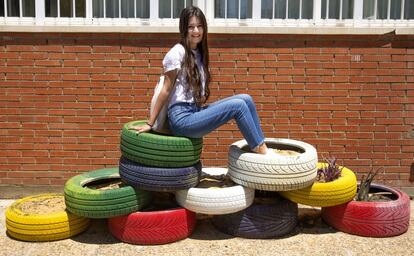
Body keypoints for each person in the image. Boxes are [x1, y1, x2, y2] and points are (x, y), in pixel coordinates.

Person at [131, 6, 272, 155]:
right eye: (191, 27)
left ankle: (260, 144)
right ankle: (262, 152)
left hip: (195, 111)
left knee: (246, 99)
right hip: (181, 119)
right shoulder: (176, 53)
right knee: (238, 106)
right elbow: (165, 90)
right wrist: (150, 123)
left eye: (199, 26)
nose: (196, 31)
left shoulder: (199, 53)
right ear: (184, 29)